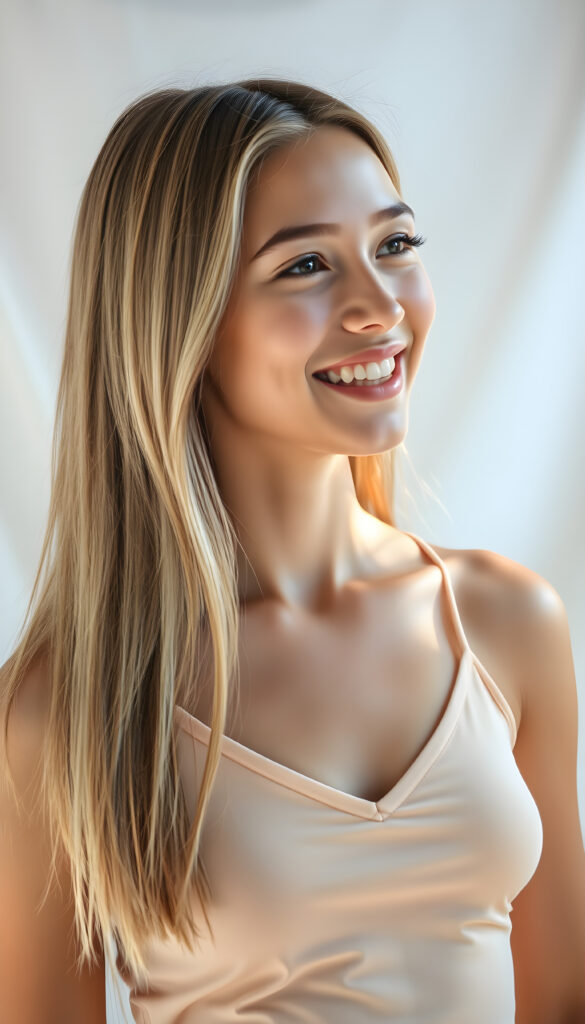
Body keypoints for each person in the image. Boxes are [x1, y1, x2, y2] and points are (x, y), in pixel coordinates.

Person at [1, 78, 584, 1024]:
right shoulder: (62, 709)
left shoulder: (508, 622)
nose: (379, 306)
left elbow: (561, 998)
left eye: (393, 246)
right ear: (177, 320)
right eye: (306, 266)